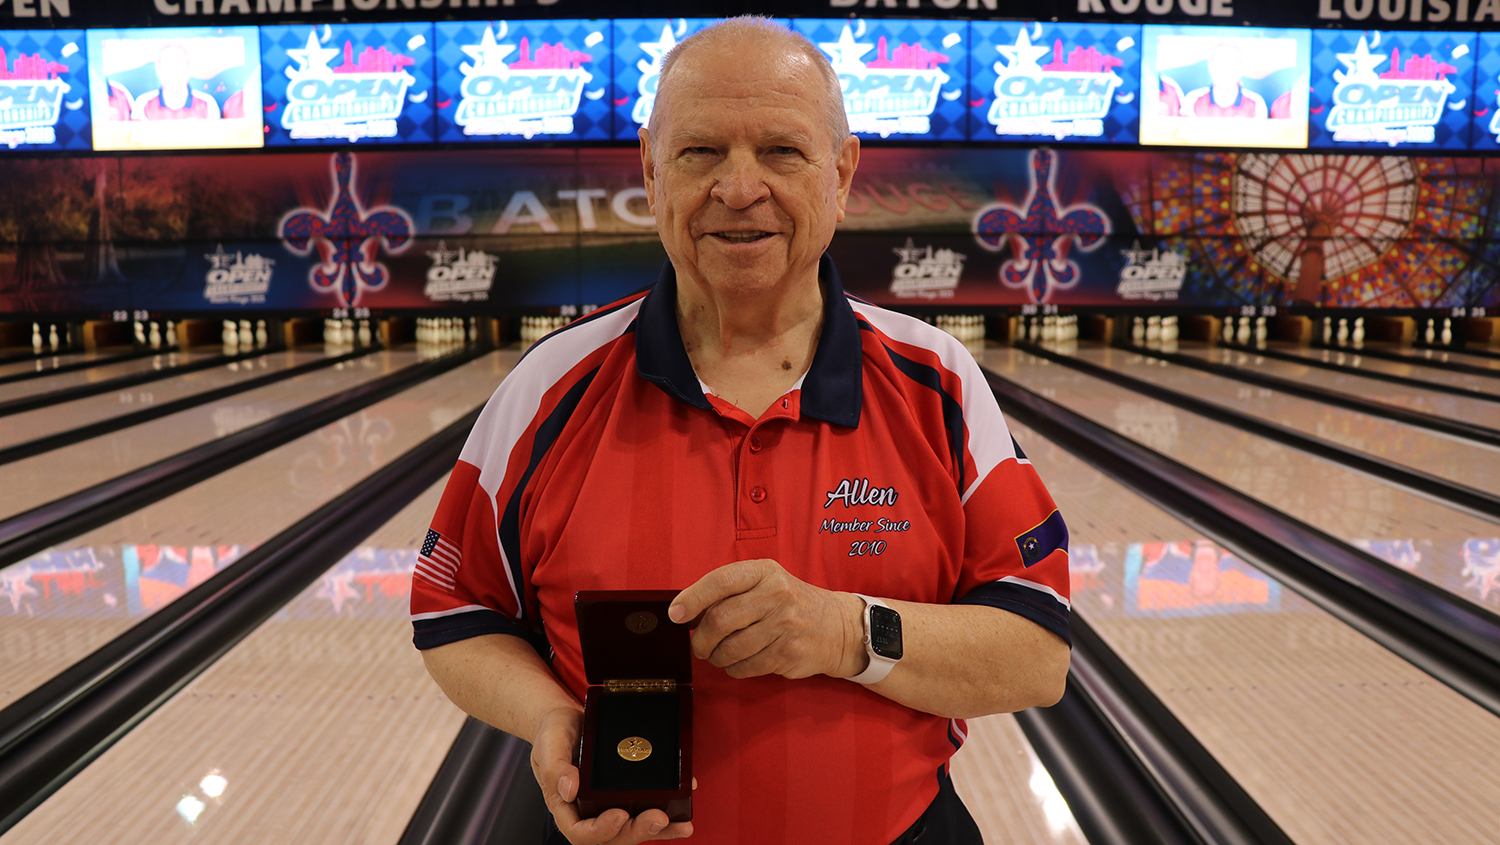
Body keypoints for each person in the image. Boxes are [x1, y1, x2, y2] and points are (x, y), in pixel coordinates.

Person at [412, 16, 1071, 845]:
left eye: (782, 152)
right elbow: (455, 612)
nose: (738, 187)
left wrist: (846, 630)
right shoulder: (549, 389)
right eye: (700, 152)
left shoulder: (938, 384)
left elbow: (1038, 651)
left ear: (842, 172)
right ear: (651, 171)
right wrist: (549, 715)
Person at [133, 44, 220, 120]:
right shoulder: (143, 104)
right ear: (158, 70)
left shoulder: (207, 104)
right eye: (168, 67)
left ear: (188, 69)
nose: (173, 73)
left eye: (178, 66)